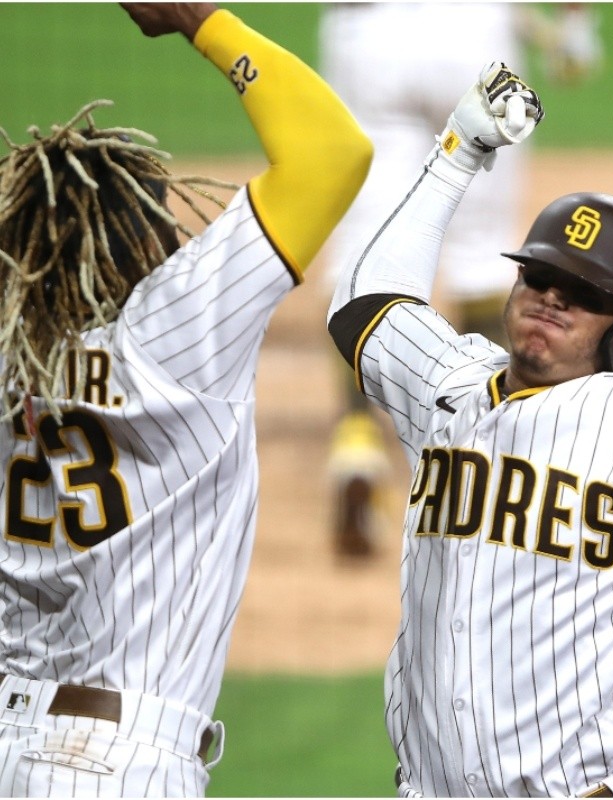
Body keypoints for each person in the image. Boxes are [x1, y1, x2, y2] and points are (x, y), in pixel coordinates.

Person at [328, 61, 613, 797]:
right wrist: (459, 151)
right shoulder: (445, 386)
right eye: (538, 277)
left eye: (582, 293)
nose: (551, 298)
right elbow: (365, 304)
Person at [0, 3, 371, 797]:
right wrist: (200, 17)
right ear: (135, 244)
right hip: (117, 762)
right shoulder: (172, 331)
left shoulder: (10, 359)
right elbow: (333, 152)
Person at [319, 2, 604, 558]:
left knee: (366, 248)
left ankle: (355, 445)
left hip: (368, 41)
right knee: (480, 259)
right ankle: (489, 456)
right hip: (472, 35)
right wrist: (576, 25)